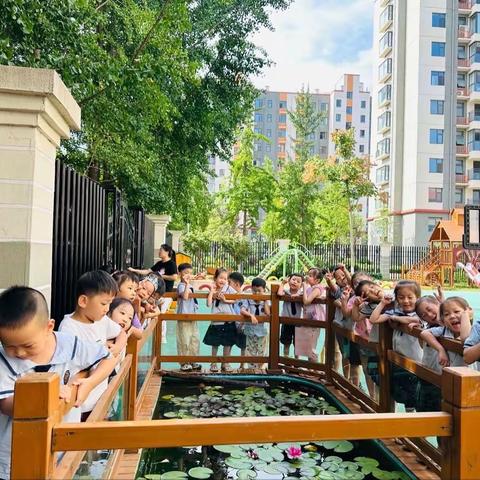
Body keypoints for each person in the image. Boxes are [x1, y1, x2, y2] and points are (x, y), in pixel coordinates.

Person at [0, 287, 117, 479]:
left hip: (63, 448)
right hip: (14, 457)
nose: (19, 353)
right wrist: (47, 397)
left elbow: (107, 358)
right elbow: (5, 404)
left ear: (48, 327)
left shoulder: (68, 344)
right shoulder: (3, 360)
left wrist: (88, 383)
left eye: (28, 345)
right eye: (9, 346)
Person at [59, 270, 127, 421]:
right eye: (103, 303)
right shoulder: (69, 330)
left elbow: (121, 333)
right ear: (83, 301)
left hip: (100, 398)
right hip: (80, 405)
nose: (107, 309)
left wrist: (117, 347)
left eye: (110, 303)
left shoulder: (101, 320)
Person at [370, 280, 422, 412]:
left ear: (418, 298)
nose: (406, 301)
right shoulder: (394, 311)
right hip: (398, 362)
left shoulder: (419, 314)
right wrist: (382, 303)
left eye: (410, 297)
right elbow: (373, 319)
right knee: (399, 393)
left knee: (412, 399)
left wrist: (396, 319)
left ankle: (413, 430)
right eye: (401, 297)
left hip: (415, 364)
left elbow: (416, 320)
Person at [419, 297, 471, 411]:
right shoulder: (444, 331)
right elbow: (424, 333)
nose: (452, 316)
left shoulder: (474, 331)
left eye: (457, 312)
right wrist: (441, 349)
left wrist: (466, 316)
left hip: (467, 384)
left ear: (468, 312)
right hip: (448, 382)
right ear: (443, 319)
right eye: (447, 314)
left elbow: (465, 339)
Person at [203, 268, 237, 373]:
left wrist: (225, 300)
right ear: (215, 278)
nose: (222, 280)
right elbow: (208, 304)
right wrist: (212, 292)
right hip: (217, 321)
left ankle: (225, 363)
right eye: (220, 278)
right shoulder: (212, 289)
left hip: (228, 320)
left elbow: (236, 298)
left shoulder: (229, 289)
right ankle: (213, 363)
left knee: (227, 344)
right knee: (215, 343)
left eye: (225, 279)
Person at [295, 268, 326, 362]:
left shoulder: (317, 288)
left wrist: (304, 287)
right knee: (305, 345)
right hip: (307, 319)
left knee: (311, 346)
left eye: (310, 276)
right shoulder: (310, 288)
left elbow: (307, 301)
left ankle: (313, 369)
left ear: (317, 280)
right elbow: (303, 297)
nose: (307, 276)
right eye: (308, 274)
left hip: (314, 320)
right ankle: (308, 369)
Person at [239, 278, 270, 369]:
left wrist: (265, 301)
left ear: (264, 290)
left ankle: (260, 369)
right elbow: (242, 310)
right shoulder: (248, 300)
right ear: (251, 289)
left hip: (262, 330)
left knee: (262, 351)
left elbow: (268, 313)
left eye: (259, 291)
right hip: (250, 330)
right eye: (254, 291)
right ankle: (251, 369)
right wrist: (251, 315)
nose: (256, 293)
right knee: (250, 351)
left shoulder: (266, 300)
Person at [176, 263, 200, 372]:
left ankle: (193, 360)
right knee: (184, 340)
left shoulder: (190, 286)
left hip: (193, 316)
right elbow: (185, 297)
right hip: (184, 316)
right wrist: (186, 284)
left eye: (190, 273)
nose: (188, 275)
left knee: (194, 339)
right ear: (180, 273)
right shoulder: (181, 286)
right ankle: (184, 362)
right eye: (186, 273)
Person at [278, 273, 303, 358]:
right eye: (293, 279)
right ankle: (286, 362)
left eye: (298, 281)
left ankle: (296, 364)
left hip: (298, 323)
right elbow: (279, 294)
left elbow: (307, 296)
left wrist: (298, 295)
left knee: (298, 346)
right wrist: (282, 283)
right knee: (286, 344)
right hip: (286, 322)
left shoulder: (302, 293)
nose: (295, 282)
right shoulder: (286, 291)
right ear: (289, 281)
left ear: (301, 285)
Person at [112, 271, 143, 339]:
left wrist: (130, 328)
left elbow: (140, 333)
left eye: (135, 290)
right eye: (130, 288)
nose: (134, 293)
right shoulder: (107, 305)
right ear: (116, 288)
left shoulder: (130, 310)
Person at [228, 272, 247, 369]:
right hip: (231, 323)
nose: (227, 285)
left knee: (243, 346)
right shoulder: (229, 296)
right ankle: (226, 363)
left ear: (237, 284)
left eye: (229, 283)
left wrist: (242, 323)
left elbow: (246, 311)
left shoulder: (244, 297)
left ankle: (242, 365)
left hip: (242, 325)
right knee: (228, 344)